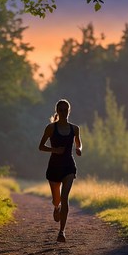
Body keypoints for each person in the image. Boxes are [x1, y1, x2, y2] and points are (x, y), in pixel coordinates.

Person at [38, 99, 82, 242]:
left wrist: (78, 149)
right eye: (61, 110)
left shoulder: (75, 129)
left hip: (69, 166)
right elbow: (41, 146)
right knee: (57, 200)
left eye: (66, 110)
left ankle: (62, 232)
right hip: (54, 167)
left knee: (65, 197)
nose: (63, 113)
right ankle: (57, 207)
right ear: (57, 111)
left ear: (69, 111)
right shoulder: (51, 128)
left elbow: (79, 143)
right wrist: (54, 150)